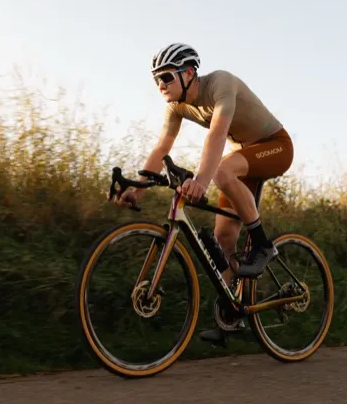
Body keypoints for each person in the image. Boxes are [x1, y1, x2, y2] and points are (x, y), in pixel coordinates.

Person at [111, 42, 295, 346]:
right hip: (243, 156)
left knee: (223, 172)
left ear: (188, 73)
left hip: (276, 145)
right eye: (156, 79)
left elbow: (217, 134)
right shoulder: (176, 107)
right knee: (224, 238)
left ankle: (264, 245)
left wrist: (201, 180)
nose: (160, 85)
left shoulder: (220, 83)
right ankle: (231, 316)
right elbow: (162, 148)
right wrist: (137, 190)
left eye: (166, 77)